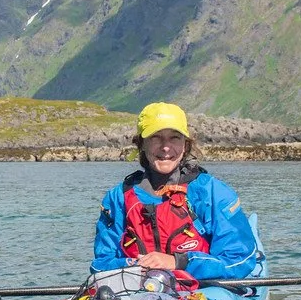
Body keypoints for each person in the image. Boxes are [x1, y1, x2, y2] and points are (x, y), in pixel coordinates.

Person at [92, 102, 263, 285]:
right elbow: (100, 265)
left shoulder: (212, 193)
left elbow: (239, 260)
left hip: (203, 293)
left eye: (174, 138)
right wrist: (136, 266)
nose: (166, 147)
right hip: (138, 295)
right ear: (141, 144)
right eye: (156, 137)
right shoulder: (117, 199)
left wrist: (177, 262)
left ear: (185, 146)